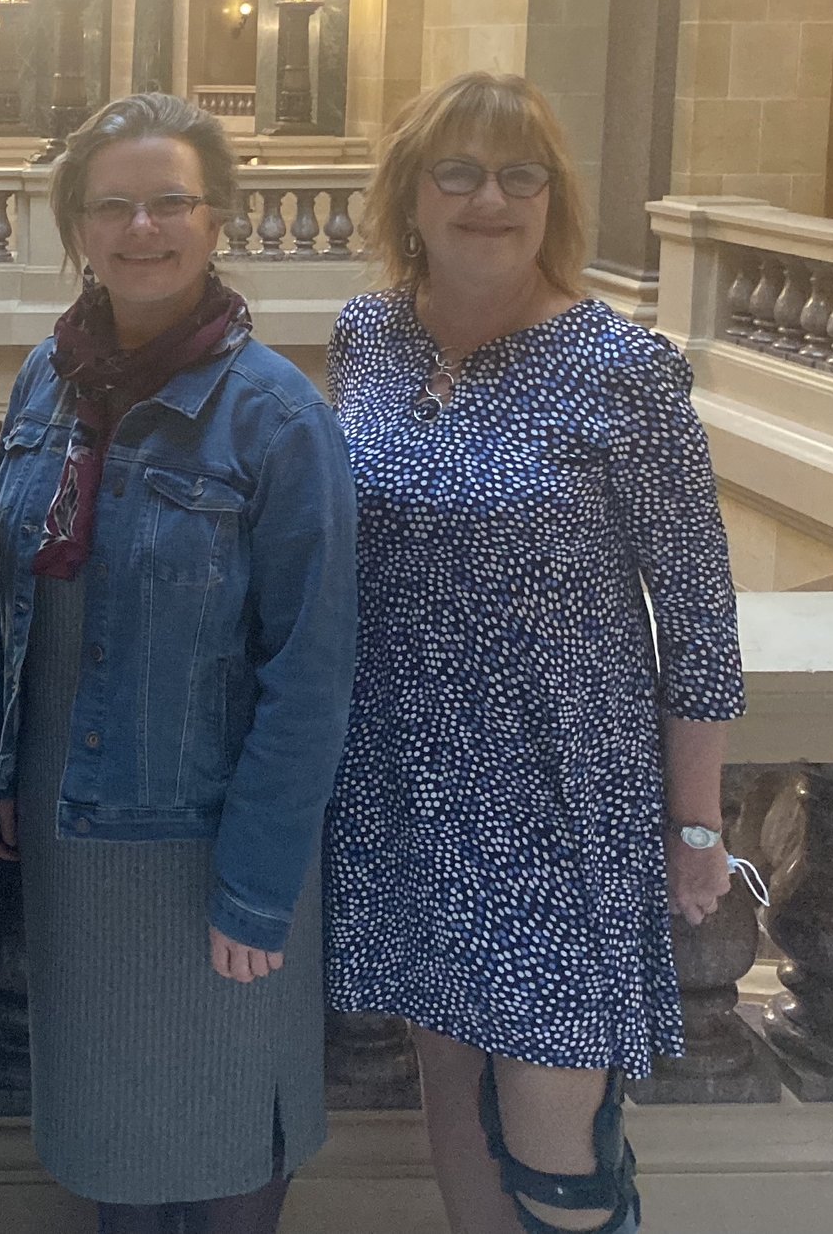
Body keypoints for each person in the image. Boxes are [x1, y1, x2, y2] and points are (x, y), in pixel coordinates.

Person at [323, 72, 745, 1234]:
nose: (489, 199)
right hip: (401, 780)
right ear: (409, 195)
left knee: (556, 1143)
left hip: (559, 801)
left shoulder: (625, 368)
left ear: (555, 199)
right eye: (455, 171)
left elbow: (701, 623)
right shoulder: (369, 338)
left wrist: (696, 825)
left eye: (521, 175)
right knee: (451, 1090)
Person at [0, 92, 358, 1234]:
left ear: (218, 217)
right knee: (115, 1167)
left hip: (211, 852)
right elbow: (9, 602)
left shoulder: (278, 419)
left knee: (229, 1141)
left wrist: (256, 884)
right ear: (77, 228)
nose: (143, 228)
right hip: (70, 846)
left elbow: (310, 674)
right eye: (114, 206)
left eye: (172, 202)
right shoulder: (47, 384)